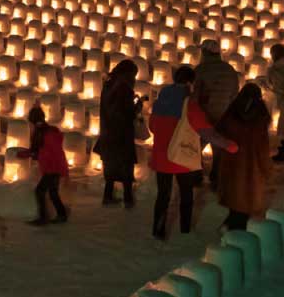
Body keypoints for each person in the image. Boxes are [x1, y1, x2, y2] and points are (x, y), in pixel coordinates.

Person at [147, 65, 236, 240]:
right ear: (190, 83)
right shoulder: (190, 106)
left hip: (161, 157)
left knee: (163, 195)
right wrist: (229, 145)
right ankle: (185, 229)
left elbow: (152, 127)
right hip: (182, 158)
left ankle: (158, 230)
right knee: (186, 193)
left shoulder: (160, 101)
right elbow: (206, 132)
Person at [216, 83, 273, 230]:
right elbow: (262, 147)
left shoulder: (232, 110)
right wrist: (266, 168)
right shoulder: (260, 117)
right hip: (251, 168)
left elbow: (220, 131)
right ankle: (234, 235)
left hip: (232, 162)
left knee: (234, 198)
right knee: (245, 202)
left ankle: (229, 225)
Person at [193, 39, 240, 189]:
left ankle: (197, 175)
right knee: (219, 147)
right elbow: (234, 94)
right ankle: (216, 176)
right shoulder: (229, 70)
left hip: (204, 116)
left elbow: (195, 95)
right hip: (223, 115)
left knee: (197, 146)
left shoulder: (200, 70)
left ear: (205, 53)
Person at [93, 59, 140, 207]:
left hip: (108, 131)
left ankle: (108, 196)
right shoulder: (124, 88)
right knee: (125, 165)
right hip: (121, 133)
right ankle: (128, 198)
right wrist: (138, 106)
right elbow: (127, 113)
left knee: (110, 165)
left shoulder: (108, 85)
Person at [18, 105, 69, 225]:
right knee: (53, 193)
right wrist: (25, 154)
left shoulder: (47, 134)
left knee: (40, 191)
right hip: (49, 168)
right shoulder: (41, 132)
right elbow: (37, 150)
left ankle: (43, 218)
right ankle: (62, 215)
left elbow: (56, 153)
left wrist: (64, 171)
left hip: (53, 168)